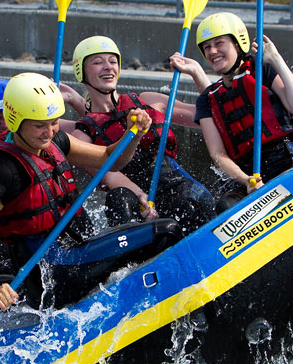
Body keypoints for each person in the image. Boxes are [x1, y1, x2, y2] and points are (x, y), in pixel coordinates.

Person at [0, 72, 173, 312]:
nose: (49, 132)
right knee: (164, 232)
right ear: (15, 120)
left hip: (77, 248)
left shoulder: (54, 140)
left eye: (54, 122)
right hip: (51, 272)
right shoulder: (1, 168)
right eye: (39, 125)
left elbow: (110, 158)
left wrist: (134, 134)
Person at [69, 35, 216, 231]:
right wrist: (141, 197)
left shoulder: (148, 101)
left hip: (174, 184)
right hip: (134, 194)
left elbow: (213, 115)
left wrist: (197, 72)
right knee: (119, 199)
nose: (108, 67)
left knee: (188, 201)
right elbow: (111, 177)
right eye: (97, 62)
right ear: (81, 72)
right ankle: (130, 255)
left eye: (113, 61)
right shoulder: (84, 133)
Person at [188, 12, 293, 210]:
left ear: (237, 44)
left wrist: (276, 60)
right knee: (224, 206)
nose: (212, 51)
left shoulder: (261, 71)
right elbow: (218, 155)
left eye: (219, 43)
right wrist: (246, 181)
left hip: (284, 159)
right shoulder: (206, 100)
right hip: (246, 173)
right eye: (207, 47)